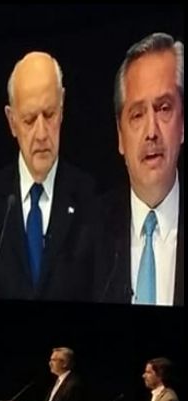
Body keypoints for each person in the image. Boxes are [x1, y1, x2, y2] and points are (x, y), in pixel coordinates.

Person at [0, 52, 97, 300]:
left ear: (62, 107)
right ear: (12, 122)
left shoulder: (90, 197)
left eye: (49, 115)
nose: (41, 134)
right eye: (29, 120)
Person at [90, 33, 184, 306]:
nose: (151, 132)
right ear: (120, 136)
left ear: (182, 124)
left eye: (164, 108)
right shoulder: (89, 231)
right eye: (137, 115)